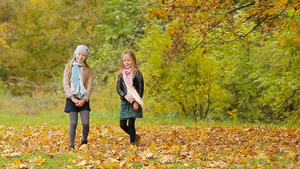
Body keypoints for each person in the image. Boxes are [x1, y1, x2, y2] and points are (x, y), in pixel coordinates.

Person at [63, 45, 93, 150]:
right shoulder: (69, 67)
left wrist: (84, 100)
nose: (80, 57)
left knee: (85, 122)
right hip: (72, 98)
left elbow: (89, 86)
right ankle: (71, 145)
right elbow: (66, 84)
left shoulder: (88, 70)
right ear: (75, 54)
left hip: (83, 99)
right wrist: (72, 98)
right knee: (73, 122)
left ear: (86, 57)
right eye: (79, 54)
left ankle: (84, 141)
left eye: (83, 55)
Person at [116, 50, 144, 147]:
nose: (126, 62)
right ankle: (135, 136)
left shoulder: (137, 73)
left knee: (131, 123)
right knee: (122, 124)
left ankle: (132, 142)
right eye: (124, 61)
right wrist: (124, 95)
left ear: (133, 60)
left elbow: (141, 88)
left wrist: (136, 101)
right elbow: (118, 87)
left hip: (134, 101)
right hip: (125, 101)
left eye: (129, 60)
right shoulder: (121, 74)